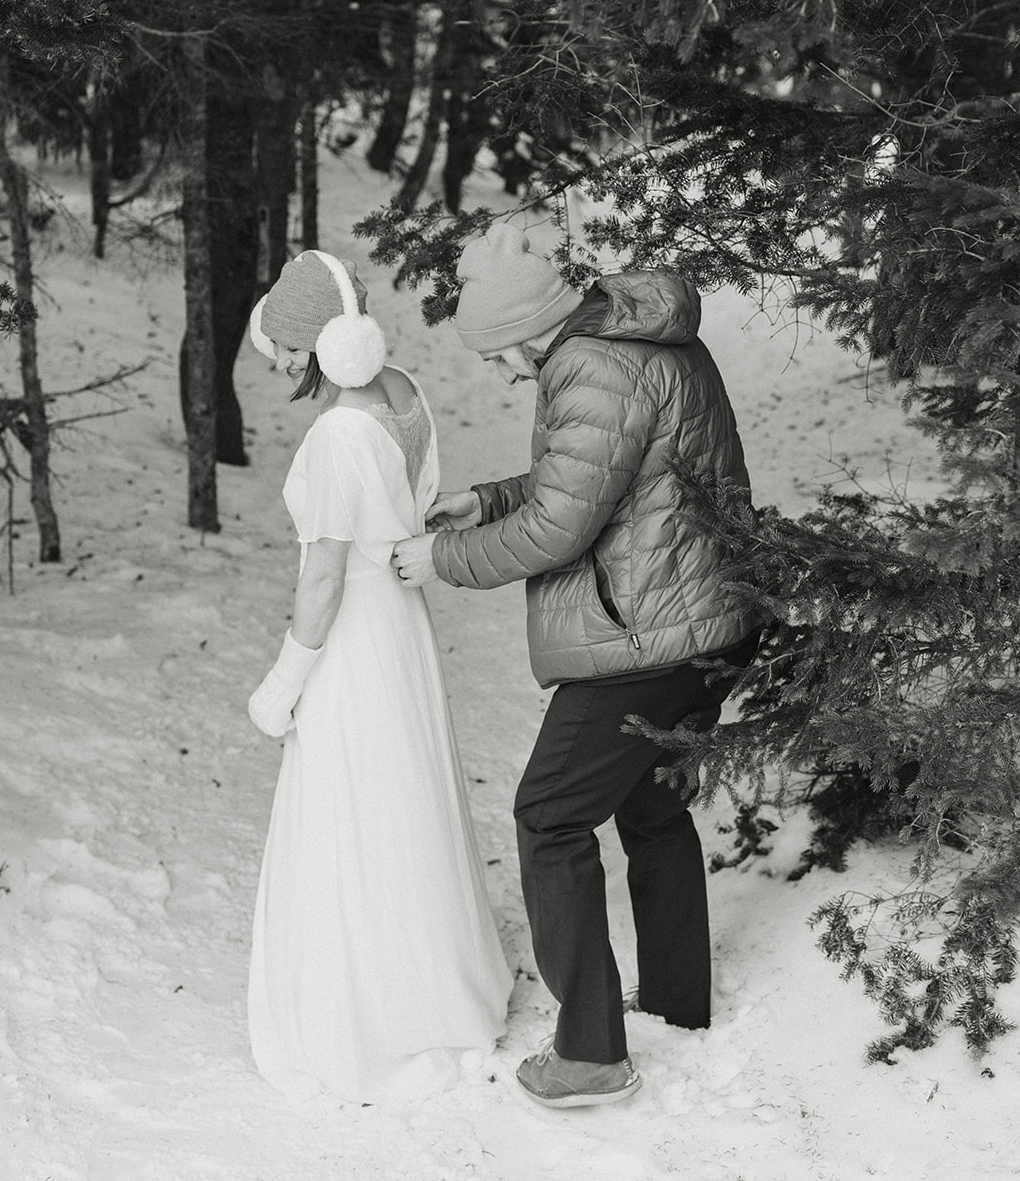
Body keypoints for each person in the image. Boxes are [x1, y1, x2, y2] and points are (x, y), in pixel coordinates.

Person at [393, 220, 762, 1110]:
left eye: (496, 357)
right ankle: (675, 1004)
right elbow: (601, 477)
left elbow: (562, 525)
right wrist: (482, 500)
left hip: (653, 635)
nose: (502, 373)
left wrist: (442, 560)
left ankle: (591, 1055)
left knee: (549, 817)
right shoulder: (624, 338)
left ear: (525, 333)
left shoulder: (595, 365)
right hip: (703, 616)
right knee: (649, 805)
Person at [245, 249, 512, 1105]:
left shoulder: (335, 436)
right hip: (403, 625)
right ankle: (434, 984)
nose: (281, 365)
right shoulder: (401, 390)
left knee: (353, 808)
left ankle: (370, 1016)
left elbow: (321, 580)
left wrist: (284, 679)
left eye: (285, 349)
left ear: (317, 346)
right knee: (406, 801)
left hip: (355, 634)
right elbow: (418, 505)